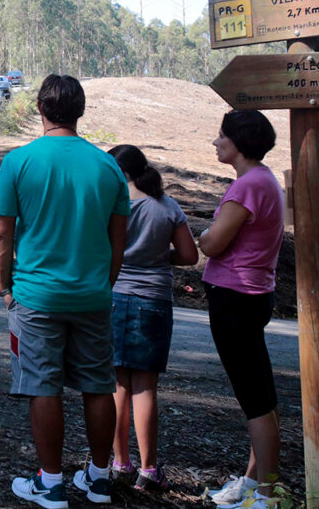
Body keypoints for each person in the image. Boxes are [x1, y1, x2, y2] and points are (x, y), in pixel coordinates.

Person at [0, 75, 130, 509]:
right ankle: (100, 478)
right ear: (80, 111)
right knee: (98, 385)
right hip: (92, 295)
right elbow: (118, 239)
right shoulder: (108, 166)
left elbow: (1, 234)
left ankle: (51, 484)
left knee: (42, 386)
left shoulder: (19, 161)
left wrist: (4, 288)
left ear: (40, 109)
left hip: (36, 297)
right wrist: (102, 284)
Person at [197, 110, 284, 509]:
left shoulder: (248, 186)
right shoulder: (264, 181)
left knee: (255, 401)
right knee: (260, 395)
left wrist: (202, 234)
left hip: (236, 298)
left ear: (238, 142)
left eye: (221, 136)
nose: (215, 142)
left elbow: (213, 244)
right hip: (253, 294)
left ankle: (265, 495)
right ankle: (253, 483)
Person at [106, 144, 199, 492]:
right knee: (145, 387)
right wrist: (160, 256)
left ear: (117, 173)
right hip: (154, 300)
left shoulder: (111, 206)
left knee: (117, 384)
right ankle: (149, 470)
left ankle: (119, 464)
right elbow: (190, 256)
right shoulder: (167, 207)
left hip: (113, 296)